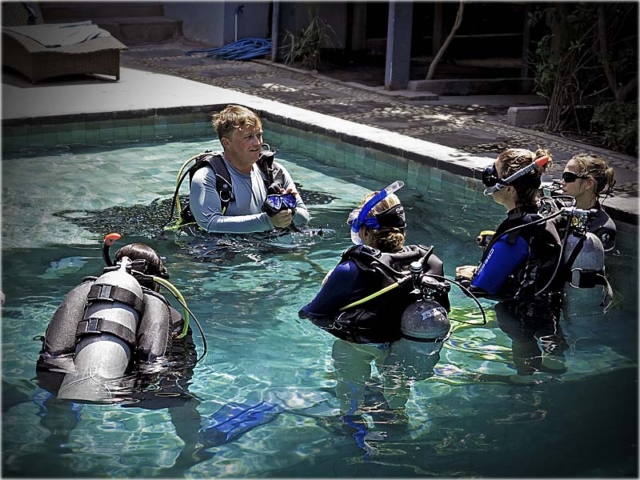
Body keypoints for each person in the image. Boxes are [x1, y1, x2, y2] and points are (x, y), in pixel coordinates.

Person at [299, 182, 451, 451]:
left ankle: (351, 419)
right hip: (406, 344)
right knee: (396, 388)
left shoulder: (352, 269)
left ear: (365, 230)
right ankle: (395, 419)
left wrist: (328, 284)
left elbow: (312, 313)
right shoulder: (431, 263)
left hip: (359, 345)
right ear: (401, 229)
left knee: (350, 379)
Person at [456, 148, 569, 379]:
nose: (490, 176)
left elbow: (481, 287)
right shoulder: (542, 213)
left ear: (509, 188)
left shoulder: (516, 231)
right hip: (549, 307)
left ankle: (524, 383)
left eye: (495, 172)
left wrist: (468, 276)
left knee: (524, 356)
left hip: (525, 315)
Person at [185, 104, 310, 234]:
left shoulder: (275, 172)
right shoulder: (207, 177)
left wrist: (289, 211)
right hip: (224, 249)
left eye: (259, 135)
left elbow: (304, 217)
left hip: (267, 244)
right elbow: (209, 224)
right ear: (226, 143)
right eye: (248, 137)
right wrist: (269, 221)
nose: (257, 143)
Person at [558, 153, 617, 251]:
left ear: (589, 183)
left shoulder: (602, 227)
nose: (562, 182)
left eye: (568, 177)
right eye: (563, 176)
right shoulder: (561, 210)